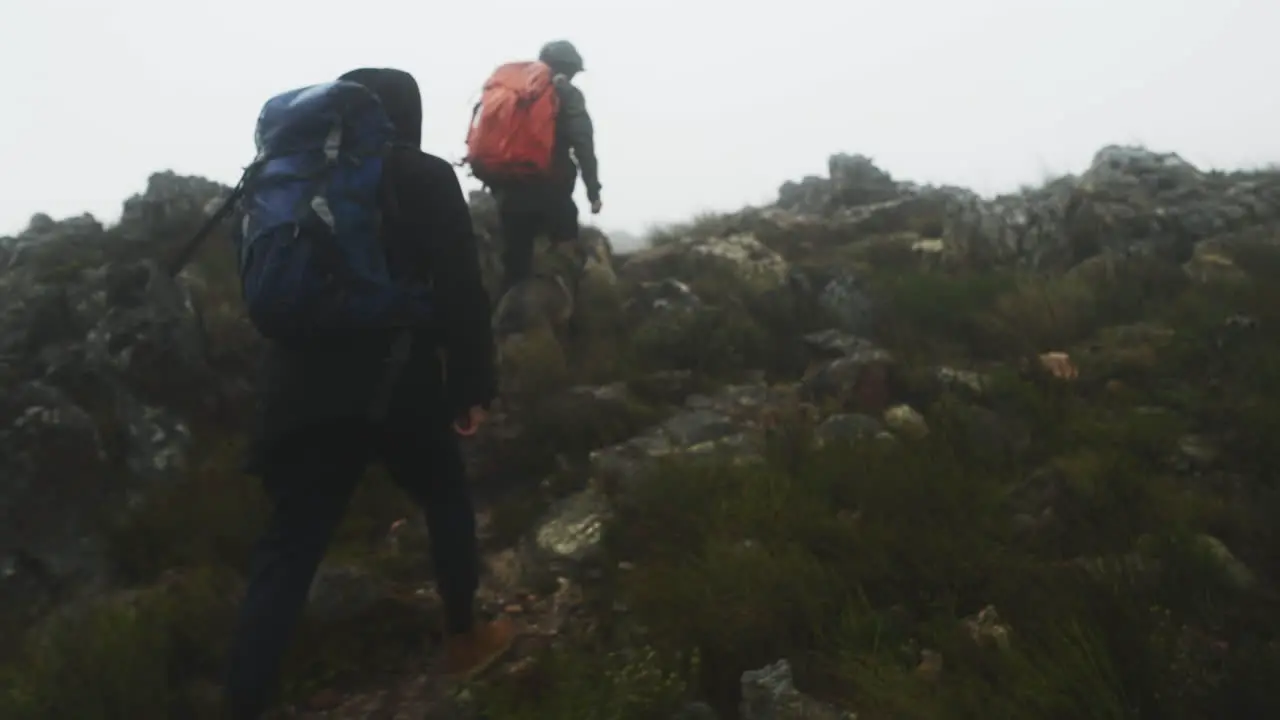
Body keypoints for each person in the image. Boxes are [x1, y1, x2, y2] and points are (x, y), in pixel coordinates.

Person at [222, 67, 514, 719]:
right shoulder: (424, 176)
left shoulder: (284, 183)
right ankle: (465, 636)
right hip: (396, 380)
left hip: (296, 388)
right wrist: (471, 384)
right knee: (443, 495)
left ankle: (245, 701)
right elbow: (462, 293)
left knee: (287, 549)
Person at [489, 40, 602, 294]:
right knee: (564, 261)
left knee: (514, 267)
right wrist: (593, 190)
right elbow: (583, 143)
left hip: (509, 189)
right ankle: (565, 326)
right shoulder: (567, 94)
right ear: (569, 68)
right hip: (551, 188)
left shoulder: (513, 91)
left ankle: (503, 326)